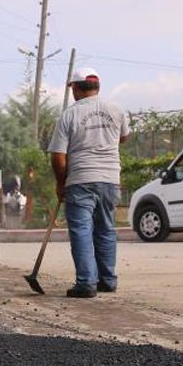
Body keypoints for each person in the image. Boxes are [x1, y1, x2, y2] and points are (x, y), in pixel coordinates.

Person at [47, 68, 131, 298]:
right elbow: (124, 136)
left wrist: (60, 182)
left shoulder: (69, 114)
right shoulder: (116, 109)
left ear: (75, 87)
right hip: (110, 180)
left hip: (81, 180)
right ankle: (107, 280)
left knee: (82, 231)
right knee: (105, 229)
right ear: (97, 87)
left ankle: (85, 283)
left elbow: (57, 155)